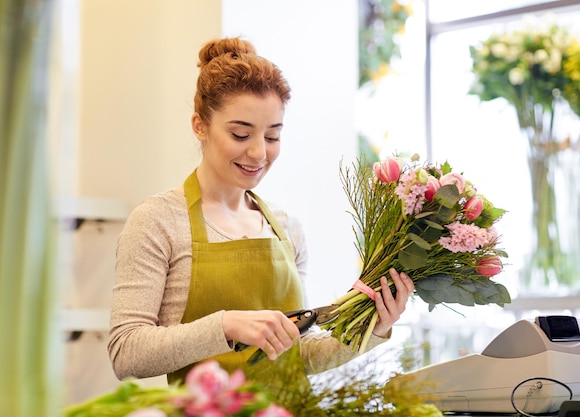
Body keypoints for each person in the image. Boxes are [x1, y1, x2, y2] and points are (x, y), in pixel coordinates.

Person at [107, 37, 415, 387]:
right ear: (200, 126)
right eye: (240, 134)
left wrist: (374, 329)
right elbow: (126, 352)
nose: (258, 153)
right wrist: (226, 325)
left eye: (272, 137)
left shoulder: (286, 228)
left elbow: (298, 353)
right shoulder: (158, 222)